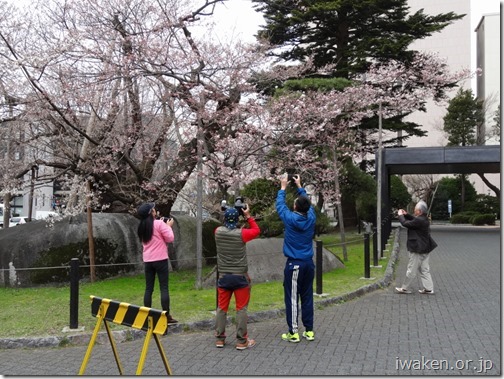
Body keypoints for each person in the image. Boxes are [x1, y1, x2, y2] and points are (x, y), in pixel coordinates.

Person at [276, 174, 317, 343]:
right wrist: (300, 185)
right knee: (307, 296)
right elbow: (307, 203)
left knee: (292, 298)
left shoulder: (291, 219)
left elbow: (280, 206)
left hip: (294, 264)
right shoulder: (312, 217)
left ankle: (293, 332)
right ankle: (309, 331)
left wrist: (283, 187)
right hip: (308, 263)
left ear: (295, 206)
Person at [214, 203, 260, 350]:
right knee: (241, 309)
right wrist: (248, 216)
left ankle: (220, 339)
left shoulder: (218, 232)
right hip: (240, 277)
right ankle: (241, 341)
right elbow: (256, 230)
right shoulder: (242, 234)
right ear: (238, 219)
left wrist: (225, 211)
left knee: (222, 308)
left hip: (223, 277)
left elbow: (222, 225)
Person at [137, 202, 178, 324]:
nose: (155, 210)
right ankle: (166, 315)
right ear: (151, 212)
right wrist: (169, 226)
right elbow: (170, 238)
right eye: (154, 209)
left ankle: (147, 315)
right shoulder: (159, 224)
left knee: (149, 288)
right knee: (163, 288)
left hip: (148, 260)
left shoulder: (142, 227)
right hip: (160, 259)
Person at [395, 200, 438, 295]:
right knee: (424, 269)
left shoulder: (419, 220)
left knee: (411, 269)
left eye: (416, 210)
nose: (414, 211)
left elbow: (406, 224)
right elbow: (414, 220)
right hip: (425, 248)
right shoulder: (424, 219)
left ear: (420, 211)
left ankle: (404, 288)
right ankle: (429, 289)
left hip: (417, 249)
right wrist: (406, 215)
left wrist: (400, 215)